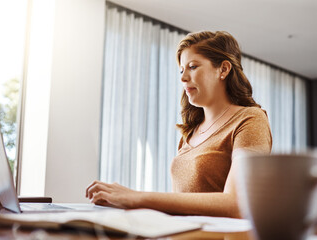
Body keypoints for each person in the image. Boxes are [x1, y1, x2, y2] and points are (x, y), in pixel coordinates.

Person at [86, 31, 272, 218]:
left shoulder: (250, 120)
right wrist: (122, 202)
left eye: (192, 67)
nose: (183, 78)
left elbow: (238, 203)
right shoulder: (191, 133)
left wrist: (136, 197)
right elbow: (183, 203)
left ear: (223, 69)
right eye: (181, 70)